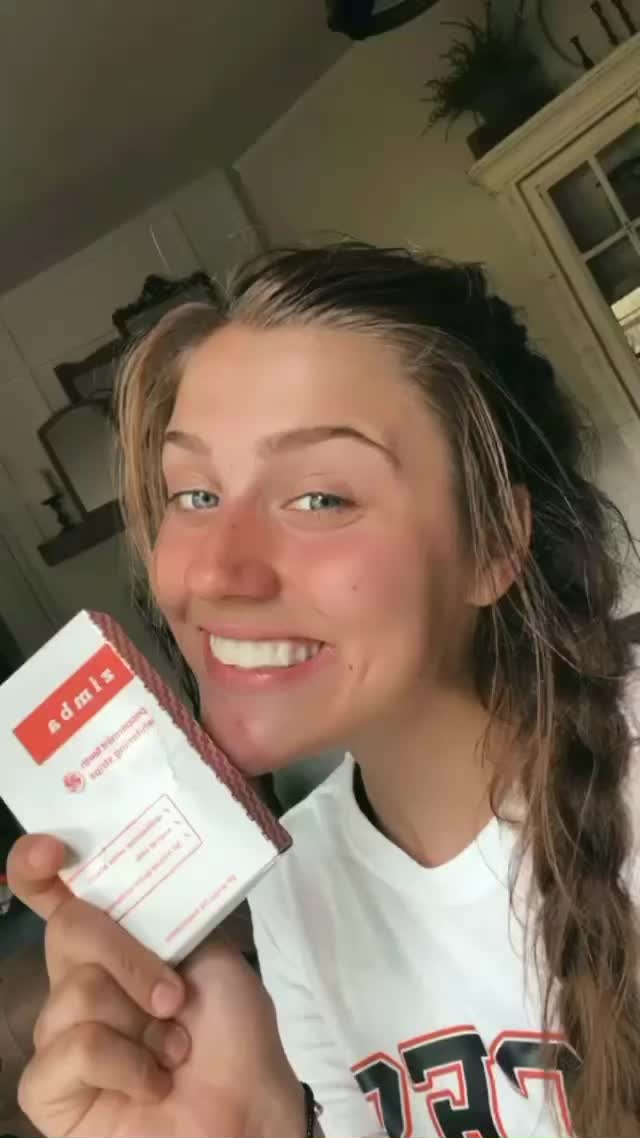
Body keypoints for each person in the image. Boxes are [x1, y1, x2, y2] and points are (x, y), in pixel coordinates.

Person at [8, 243, 640, 1138]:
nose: (213, 572)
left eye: (318, 499)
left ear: (495, 541)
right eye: (194, 496)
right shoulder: (293, 882)